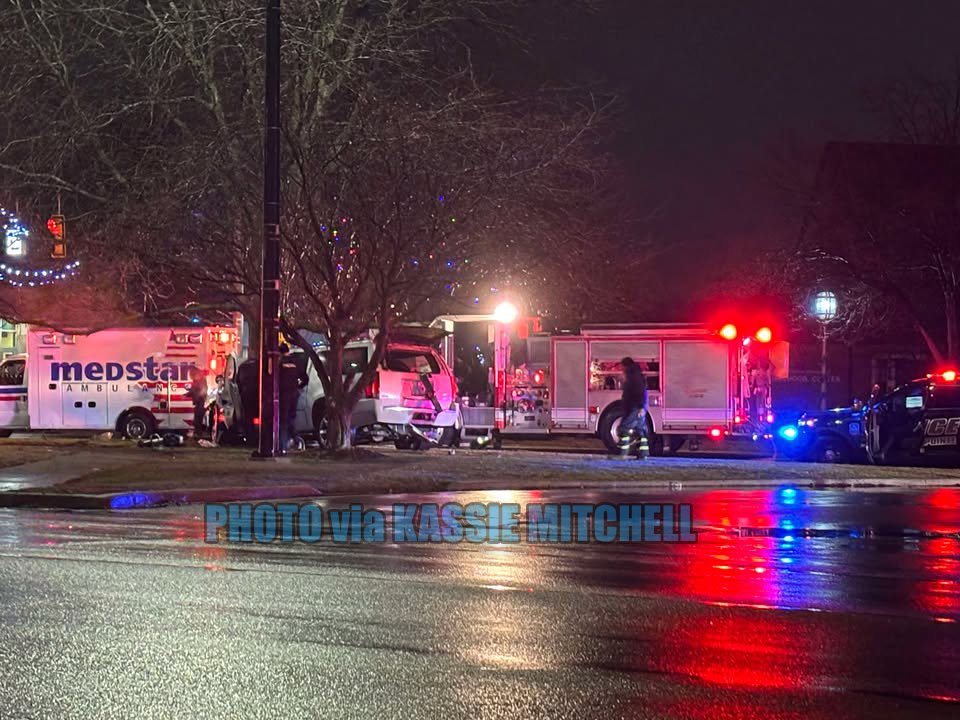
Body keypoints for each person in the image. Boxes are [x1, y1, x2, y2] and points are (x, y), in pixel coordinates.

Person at [617, 356, 649, 459]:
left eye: (622, 367)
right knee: (640, 431)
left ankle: (622, 453)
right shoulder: (636, 374)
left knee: (624, 428)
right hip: (638, 406)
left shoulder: (633, 376)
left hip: (635, 407)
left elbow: (638, 392)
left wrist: (640, 407)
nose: (621, 369)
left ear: (626, 366)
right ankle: (643, 454)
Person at [278, 344, 308, 451]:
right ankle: (295, 440)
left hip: (283, 395)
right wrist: (297, 386)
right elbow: (305, 378)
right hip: (294, 394)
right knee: (291, 418)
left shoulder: (280, 363)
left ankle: (283, 445)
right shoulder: (296, 362)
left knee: (283, 421)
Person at [188, 366, 209, 440]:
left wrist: (188, 394)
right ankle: (198, 434)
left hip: (200, 402)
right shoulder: (200, 379)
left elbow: (196, 391)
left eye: (191, 373)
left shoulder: (199, 380)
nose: (190, 375)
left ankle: (198, 435)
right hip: (200, 402)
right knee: (197, 419)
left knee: (198, 419)